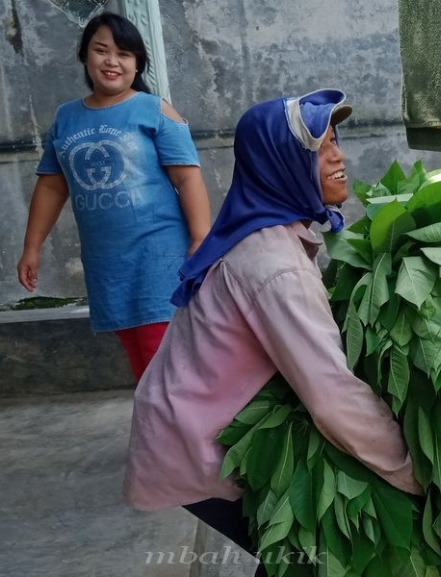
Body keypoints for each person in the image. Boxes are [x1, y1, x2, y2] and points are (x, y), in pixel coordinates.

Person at [123, 89, 422, 573]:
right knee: (308, 557)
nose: (337, 155)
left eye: (336, 140)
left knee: (295, 556)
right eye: (319, 147)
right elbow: (331, 395)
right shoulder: (273, 266)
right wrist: (415, 474)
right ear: (280, 163)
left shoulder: (273, 232)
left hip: (198, 418)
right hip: (195, 440)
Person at [16, 12, 211, 381]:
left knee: (161, 357)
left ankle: (175, 434)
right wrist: (32, 248)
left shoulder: (155, 111)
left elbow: (188, 179)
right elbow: (52, 186)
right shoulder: (66, 117)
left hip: (159, 254)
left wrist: (201, 240)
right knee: (138, 356)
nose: (111, 61)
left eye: (123, 53)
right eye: (101, 50)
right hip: (107, 262)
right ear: (84, 56)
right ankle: (163, 433)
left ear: (137, 63)